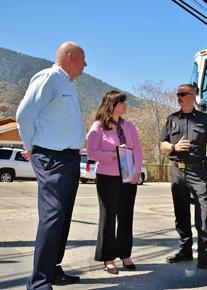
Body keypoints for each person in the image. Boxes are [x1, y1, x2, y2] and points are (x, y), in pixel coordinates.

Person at [16, 41, 86, 290]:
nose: (85, 64)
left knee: (63, 216)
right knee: (53, 216)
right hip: (52, 158)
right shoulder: (48, 77)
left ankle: (53, 269)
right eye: (83, 59)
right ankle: (38, 282)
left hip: (68, 158)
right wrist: (31, 145)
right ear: (70, 56)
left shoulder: (68, 84)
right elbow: (24, 114)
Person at [160, 84, 207, 272]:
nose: (179, 96)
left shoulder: (205, 119)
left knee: (203, 212)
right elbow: (162, 144)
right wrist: (174, 147)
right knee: (181, 212)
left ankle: (205, 256)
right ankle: (185, 250)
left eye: (183, 94)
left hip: (197, 171)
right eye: (178, 94)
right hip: (177, 170)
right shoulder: (172, 119)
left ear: (193, 96)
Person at [87, 91, 142, 274]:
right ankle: (108, 258)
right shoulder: (98, 126)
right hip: (107, 177)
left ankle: (125, 254)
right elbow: (92, 153)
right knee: (108, 217)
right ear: (112, 104)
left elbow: (138, 151)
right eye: (122, 103)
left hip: (128, 177)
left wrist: (136, 172)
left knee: (126, 217)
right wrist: (113, 155)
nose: (125, 106)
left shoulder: (129, 126)